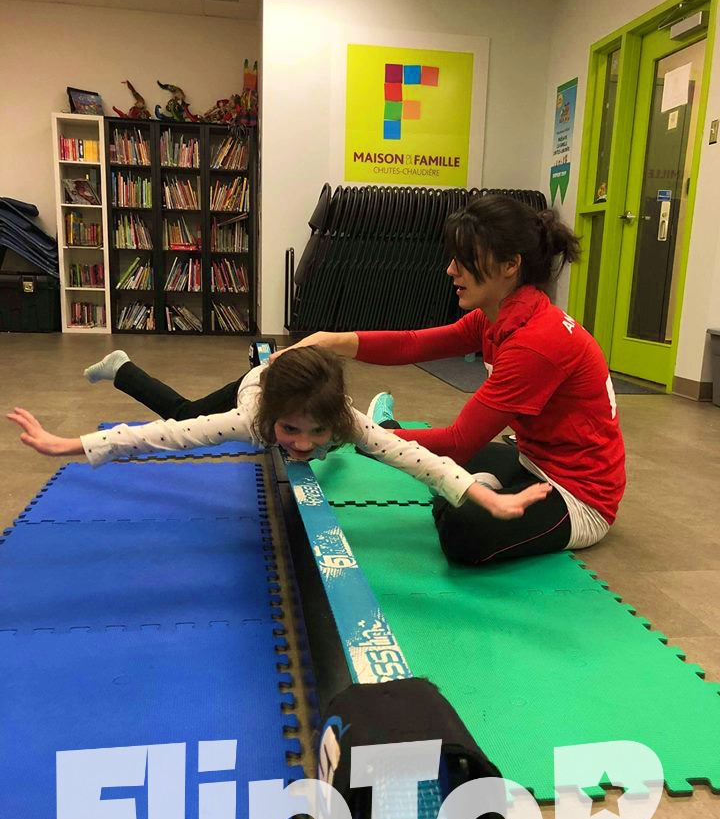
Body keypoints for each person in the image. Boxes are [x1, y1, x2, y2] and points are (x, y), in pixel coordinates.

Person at [280, 196, 626, 565]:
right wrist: (330, 341)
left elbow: (459, 442)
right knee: (432, 466)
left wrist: (353, 434)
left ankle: (394, 437)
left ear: (510, 265)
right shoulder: (498, 316)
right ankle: (401, 439)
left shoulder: (535, 343)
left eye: (465, 258)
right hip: (531, 461)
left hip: (578, 495)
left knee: (461, 531)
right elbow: (413, 344)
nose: (450, 270)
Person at [7, 346, 550, 522]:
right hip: (256, 384)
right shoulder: (254, 418)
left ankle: (123, 368)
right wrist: (70, 445)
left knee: (375, 445)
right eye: (291, 431)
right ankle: (121, 367)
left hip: (302, 386)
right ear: (273, 420)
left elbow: (413, 457)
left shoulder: (347, 423)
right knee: (185, 415)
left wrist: (483, 497)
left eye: (317, 433)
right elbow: (164, 438)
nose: (303, 445)